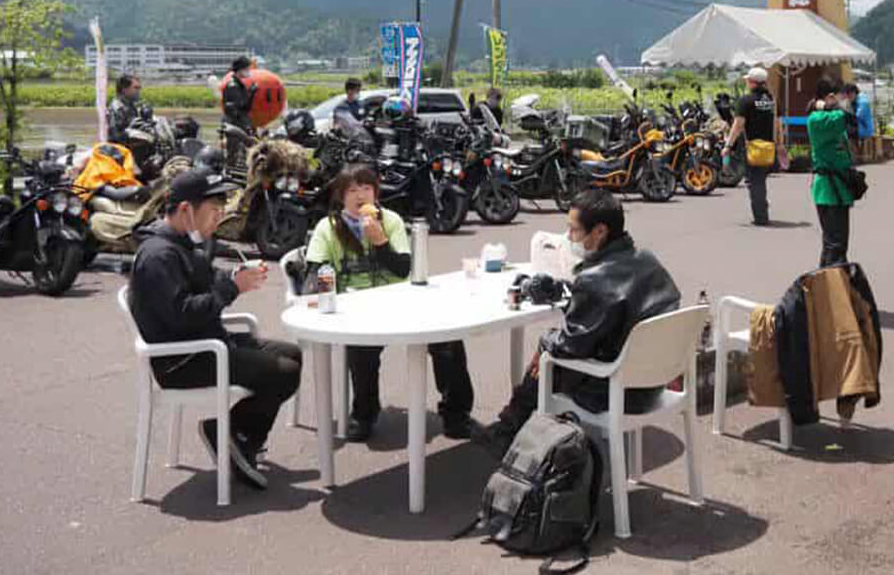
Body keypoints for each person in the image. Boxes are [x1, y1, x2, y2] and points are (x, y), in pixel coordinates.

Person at [129, 169, 301, 490]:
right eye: (213, 210)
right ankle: (229, 434)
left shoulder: (184, 245)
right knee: (283, 370)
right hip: (183, 359)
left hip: (206, 343)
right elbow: (182, 315)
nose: (219, 218)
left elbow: (207, 282)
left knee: (292, 354)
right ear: (186, 210)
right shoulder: (158, 255)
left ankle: (238, 436)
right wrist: (232, 288)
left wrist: (236, 276)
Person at [477, 189, 681, 457]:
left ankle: (508, 430)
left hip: (617, 390)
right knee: (550, 352)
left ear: (600, 231)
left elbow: (571, 346)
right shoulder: (648, 261)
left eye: (574, 230)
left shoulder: (595, 279)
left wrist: (546, 343)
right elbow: (611, 304)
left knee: (548, 357)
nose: (569, 237)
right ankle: (510, 425)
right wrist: (568, 291)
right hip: (653, 383)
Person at [304, 165, 475, 441]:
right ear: (341, 196)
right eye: (352, 190)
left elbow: (403, 269)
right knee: (360, 349)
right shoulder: (329, 227)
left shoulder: (391, 220)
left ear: (376, 193)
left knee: (447, 337)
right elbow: (316, 271)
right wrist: (321, 289)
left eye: (366, 189)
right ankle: (364, 413)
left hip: (397, 302)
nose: (360, 196)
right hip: (354, 308)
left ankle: (456, 413)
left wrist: (380, 241)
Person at [723, 67, 782, 226]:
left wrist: (728, 145)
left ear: (752, 82)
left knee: (754, 182)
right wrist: (780, 145)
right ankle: (762, 209)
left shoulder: (745, 101)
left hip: (753, 148)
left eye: (748, 81)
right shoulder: (773, 101)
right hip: (769, 148)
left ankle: (761, 216)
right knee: (760, 180)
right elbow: (778, 125)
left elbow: (738, 125)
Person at [807, 77, 854, 267]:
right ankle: (834, 279)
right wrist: (826, 105)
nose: (846, 99)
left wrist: (824, 105)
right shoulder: (819, 119)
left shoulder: (825, 116)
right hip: (830, 190)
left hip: (837, 188)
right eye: (843, 96)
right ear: (831, 96)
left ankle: (827, 279)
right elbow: (847, 114)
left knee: (832, 244)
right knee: (836, 244)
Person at [107, 73, 151, 147]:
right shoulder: (116, 108)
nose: (138, 91)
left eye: (139, 88)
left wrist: (147, 118)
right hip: (122, 149)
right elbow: (115, 137)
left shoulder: (132, 105)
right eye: (136, 88)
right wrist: (131, 129)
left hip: (135, 145)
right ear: (124, 89)